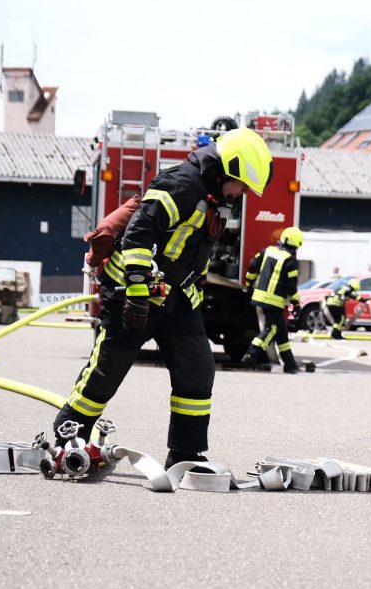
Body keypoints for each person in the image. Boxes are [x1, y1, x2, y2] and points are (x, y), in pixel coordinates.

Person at [51, 127, 273, 470]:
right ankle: (70, 437)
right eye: (241, 184)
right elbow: (139, 235)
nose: (242, 193)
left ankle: (185, 454)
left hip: (176, 297)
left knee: (197, 368)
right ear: (226, 168)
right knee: (109, 369)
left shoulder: (218, 197)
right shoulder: (181, 185)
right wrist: (137, 289)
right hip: (134, 289)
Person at [242, 226, 304, 373]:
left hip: (259, 296)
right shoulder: (290, 260)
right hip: (274, 301)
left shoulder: (268, 251)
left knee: (281, 332)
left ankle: (290, 364)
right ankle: (250, 355)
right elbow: (291, 285)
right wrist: (296, 303)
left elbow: (252, 266)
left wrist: (249, 284)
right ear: (296, 244)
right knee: (272, 329)